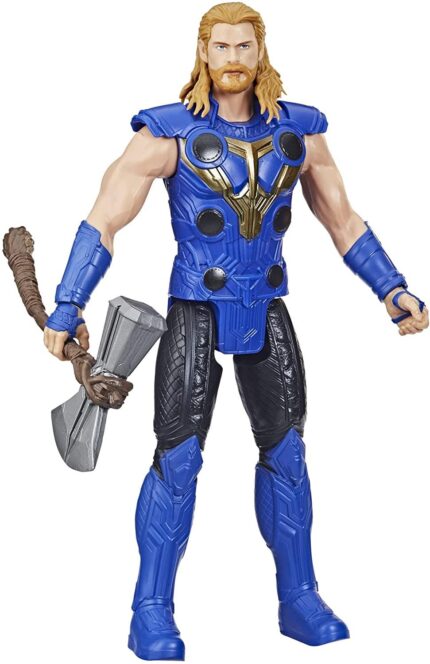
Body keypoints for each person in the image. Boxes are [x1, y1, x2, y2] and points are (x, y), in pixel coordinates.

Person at [43, 2, 428, 660]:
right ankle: (150, 609)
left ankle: (299, 596)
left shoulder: (298, 131)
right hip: (195, 305)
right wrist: (68, 301)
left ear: (260, 50)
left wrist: (391, 287)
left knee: (289, 454)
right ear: (203, 52)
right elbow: (104, 217)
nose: (232, 58)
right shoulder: (166, 133)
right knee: (179, 459)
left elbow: (344, 220)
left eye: (243, 46)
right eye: (220, 47)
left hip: (267, 305)